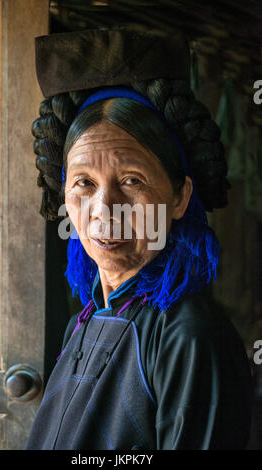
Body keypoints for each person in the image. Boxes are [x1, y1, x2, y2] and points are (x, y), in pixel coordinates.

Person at [25, 28, 253, 450]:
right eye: (84, 183)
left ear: (180, 196)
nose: (104, 209)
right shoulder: (86, 319)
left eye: (131, 180)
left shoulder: (189, 337)